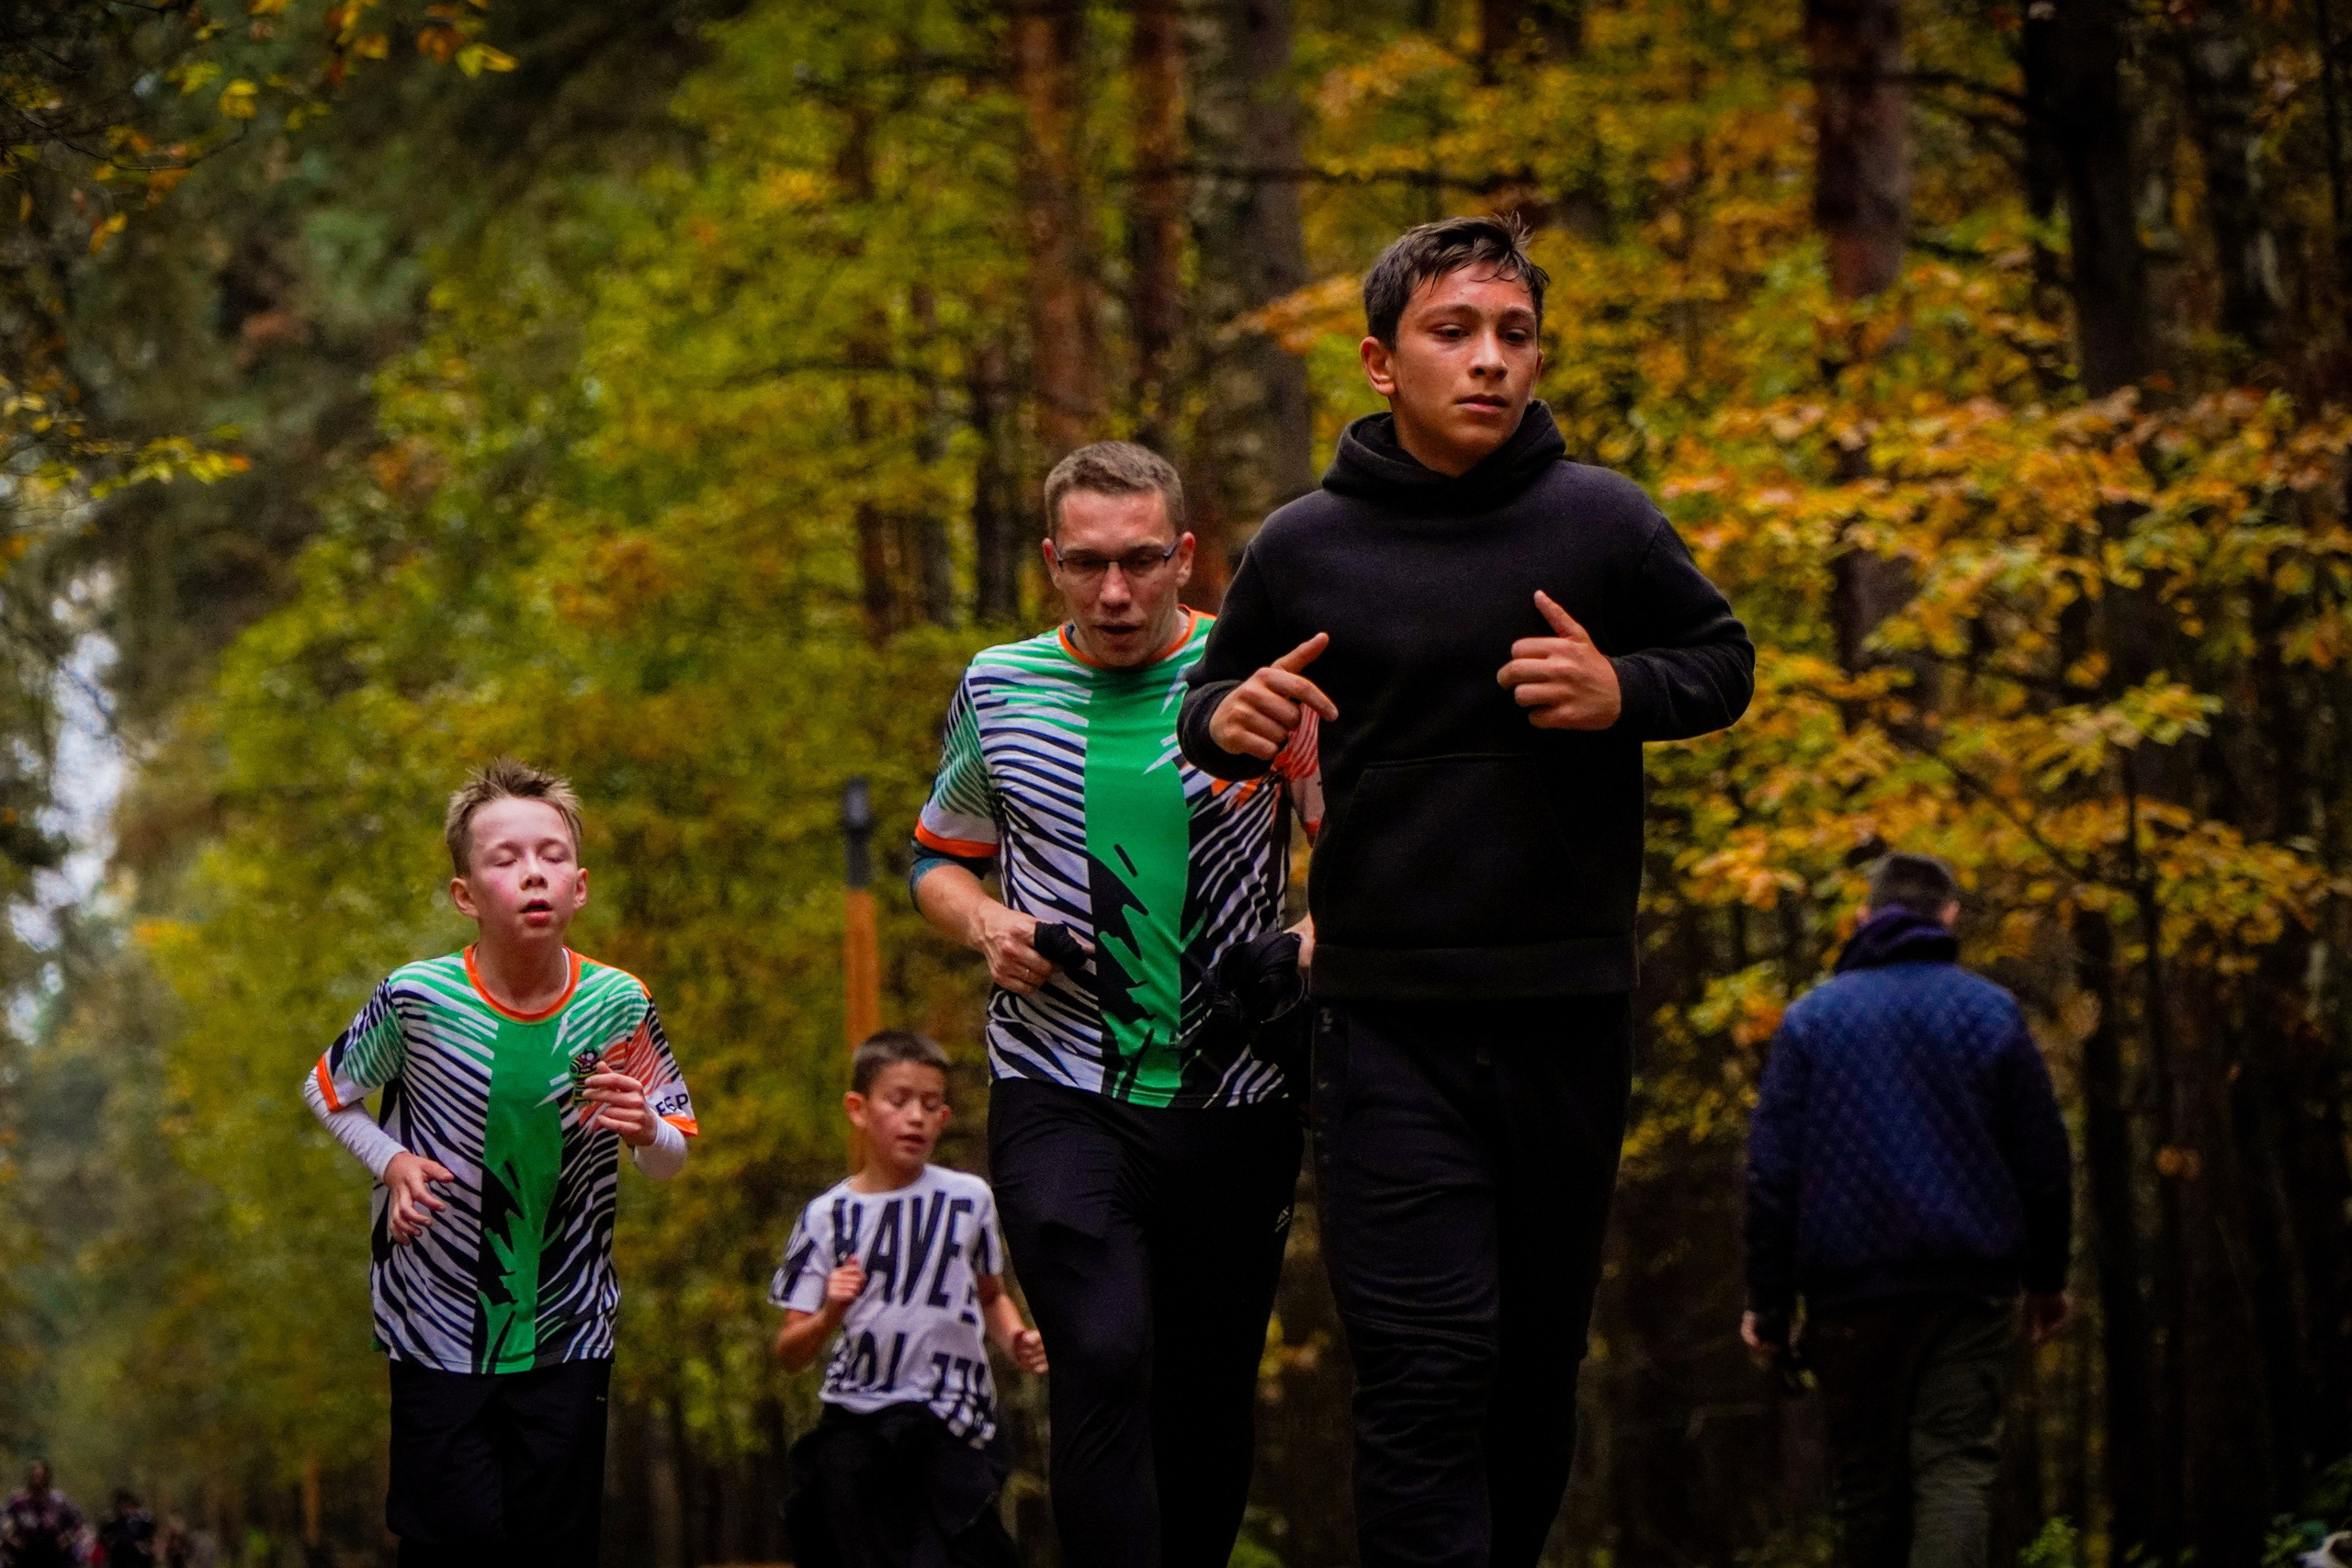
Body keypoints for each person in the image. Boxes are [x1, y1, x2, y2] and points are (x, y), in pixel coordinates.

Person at [1178, 213, 1755, 1568]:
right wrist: (1234, 715)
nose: (1491, 361)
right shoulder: (1305, 543)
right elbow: (1208, 705)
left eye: (1514, 335)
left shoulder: (1603, 520)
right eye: (1456, 333)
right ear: (1383, 361)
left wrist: (1625, 690)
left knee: (1530, 1372)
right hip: (1381, 1020)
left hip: (1567, 1010)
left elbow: (1721, 660)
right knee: (1427, 1365)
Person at [910, 440, 1320, 1568]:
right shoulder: (999, 687)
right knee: (1099, 1356)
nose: (1116, 592)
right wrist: (988, 925)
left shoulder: (1261, 688)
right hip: (1059, 1087)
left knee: (1205, 1383)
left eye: (1143, 561)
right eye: (1086, 565)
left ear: (1186, 555)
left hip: (1233, 1090)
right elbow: (937, 860)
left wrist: (1302, 944)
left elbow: (1356, 860)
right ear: (1050, 562)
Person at [299, 757, 697, 1567]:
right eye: (505, 859)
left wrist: (644, 1128)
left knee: (553, 1541)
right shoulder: (417, 997)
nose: (533, 874)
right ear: (465, 894)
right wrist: (395, 1164)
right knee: (453, 1538)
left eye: (551, 855)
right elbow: (325, 1089)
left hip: (570, 1320)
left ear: (580, 885)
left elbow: (673, 1153)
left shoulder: (620, 1002)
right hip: (436, 1318)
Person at [1741, 852, 2074, 1568]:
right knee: (1954, 1466)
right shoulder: (1990, 1012)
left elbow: (1772, 1175)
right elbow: (2044, 1162)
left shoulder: (1811, 1021)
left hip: (1849, 1293)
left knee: (1866, 1483)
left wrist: (1768, 1304)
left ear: (1864, 918)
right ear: (1949, 916)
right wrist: (2048, 1279)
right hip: (1968, 1286)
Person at [770, 1030, 1050, 1568]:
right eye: (898, 1102)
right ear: (859, 1109)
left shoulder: (970, 1200)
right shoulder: (827, 1217)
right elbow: (789, 1352)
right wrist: (832, 1312)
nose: (916, 1118)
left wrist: (1016, 1339)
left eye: (931, 1105)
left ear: (945, 1118)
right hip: (859, 1418)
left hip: (953, 1416)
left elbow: (991, 1295)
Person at [1, 1463, 85, 1568]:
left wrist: (68, 1538)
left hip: (54, 1556)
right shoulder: (18, 1502)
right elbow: (3, 1518)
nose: (37, 1481)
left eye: (40, 1477)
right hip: (25, 1556)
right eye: (33, 1477)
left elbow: (79, 1524)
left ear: (47, 1479)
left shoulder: (59, 1502)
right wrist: (9, 1535)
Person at [96, 1492, 156, 1568]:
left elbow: (150, 1539)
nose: (127, 1510)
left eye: (129, 1506)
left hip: (138, 1561)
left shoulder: (143, 1523)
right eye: (124, 1506)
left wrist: (147, 1547)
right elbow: (103, 1538)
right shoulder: (114, 1525)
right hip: (121, 1560)